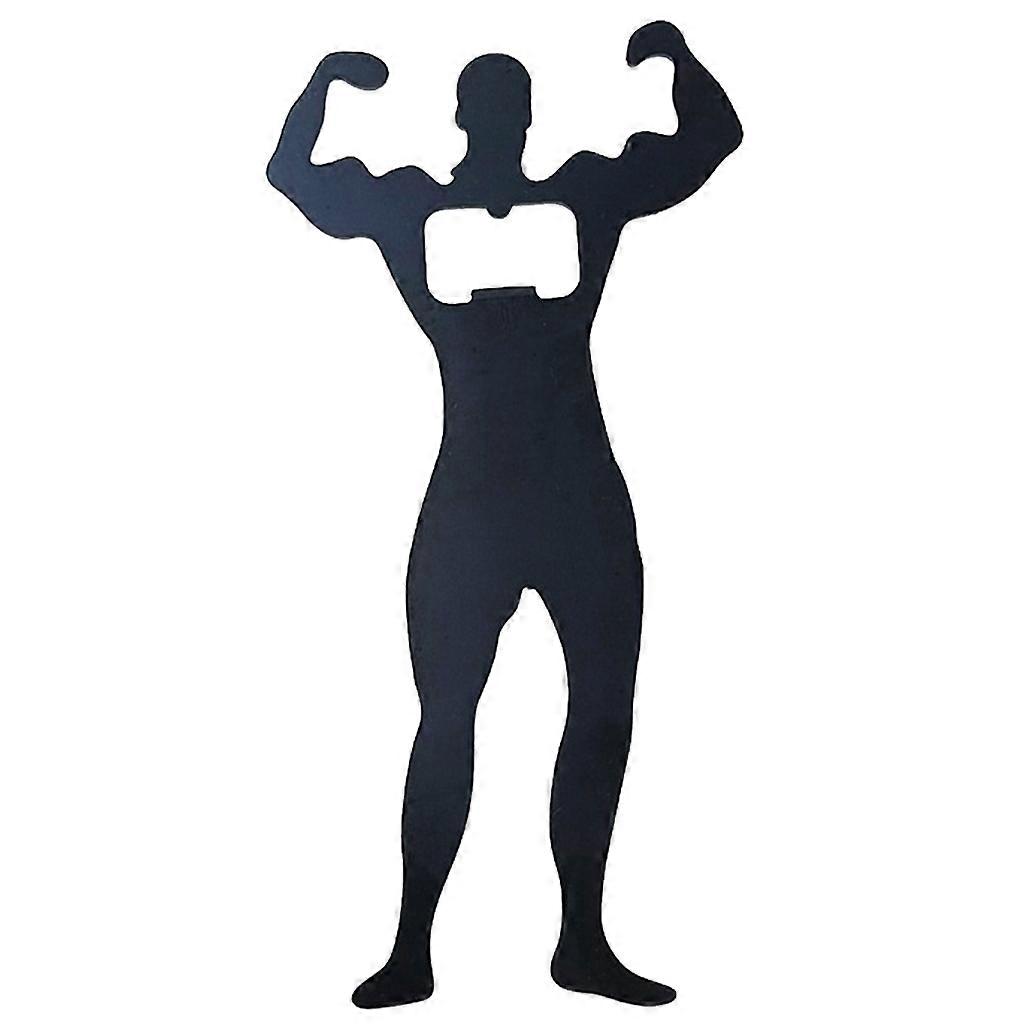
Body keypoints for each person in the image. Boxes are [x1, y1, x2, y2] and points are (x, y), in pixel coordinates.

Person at [267, 20, 742, 1007]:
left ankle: (580, 943)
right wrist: (324, 79)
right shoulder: (424, 207)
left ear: (513, 120)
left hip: (572, 499)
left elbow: (711, 140)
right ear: (472, 119)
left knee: (598, 710)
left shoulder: (572, 194)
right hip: (478, 504)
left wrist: (674, 56)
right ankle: (411, 948)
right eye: (488, 107)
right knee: (448, 717)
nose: (495, 121)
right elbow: (293, 176)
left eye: (504, 107)